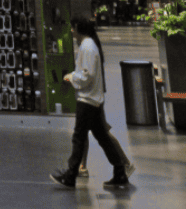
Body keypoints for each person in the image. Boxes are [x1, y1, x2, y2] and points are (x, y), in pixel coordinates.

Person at [50, 18, 135, 190]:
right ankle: (119, 170)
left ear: (79, 29)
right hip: (93, 100)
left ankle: (71, 174)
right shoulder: (89, 46)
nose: (71, 32)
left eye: (72, 28)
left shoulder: (87, 48)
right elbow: (87, 72)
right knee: (102, 137)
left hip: (87, 100)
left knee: (79, 137)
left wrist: (72, 77)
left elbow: (86, 76)